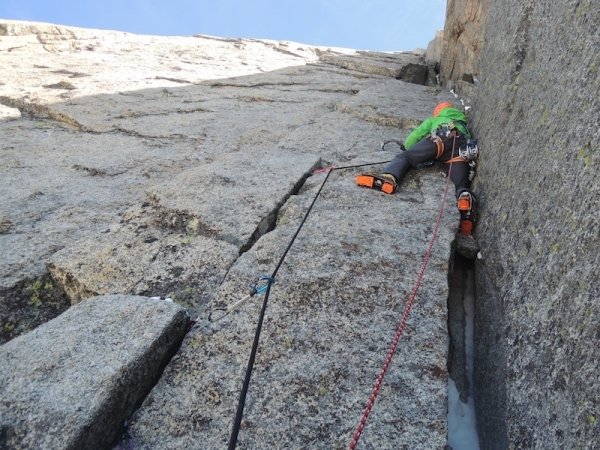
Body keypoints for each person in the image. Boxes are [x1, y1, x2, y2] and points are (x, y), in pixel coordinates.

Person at [356, 102, 476, 236]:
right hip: (461, 149)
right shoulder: (463, 122)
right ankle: (464, 199)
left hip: (441, 138)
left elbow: (415, 136)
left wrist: (409, 147)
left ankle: (389, 177)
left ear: (438, 112)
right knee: (461, 184)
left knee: (405, 158)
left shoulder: (435, 119)